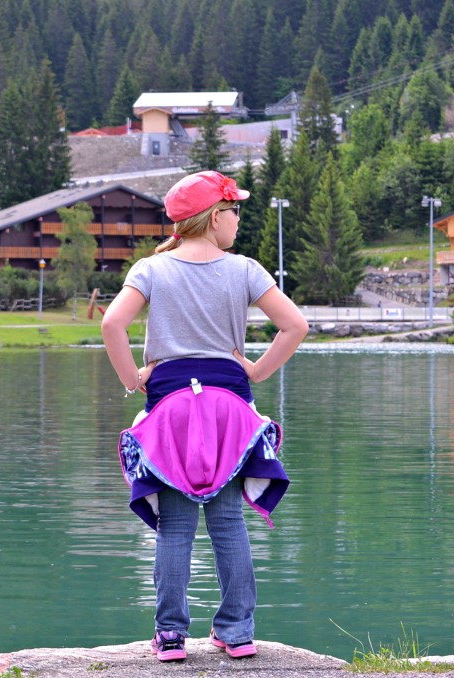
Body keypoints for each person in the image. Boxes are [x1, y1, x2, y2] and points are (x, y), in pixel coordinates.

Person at [101, 170, 308, 663]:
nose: (238, 220)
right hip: (228, 408)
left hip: (170, 404)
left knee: (175, 527)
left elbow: (112, 323)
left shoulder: (152, 270)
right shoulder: (245, 269)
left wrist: (134, 379)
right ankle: (236, 633)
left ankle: (170, 637)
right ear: (216, 217)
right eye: (235, 210)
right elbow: (295, 325)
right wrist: (256, 371)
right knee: (228, 523)